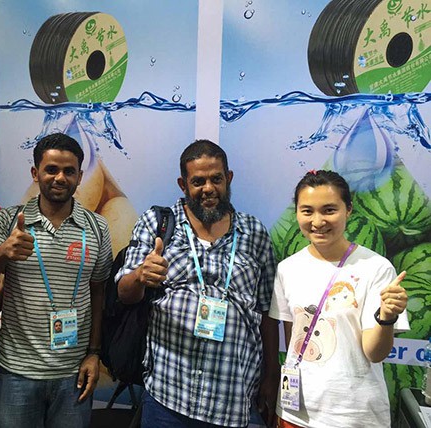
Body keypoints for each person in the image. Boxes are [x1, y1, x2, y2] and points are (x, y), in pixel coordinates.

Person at [116, 139, 279, 427]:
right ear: (183, 185)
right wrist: (140, 275)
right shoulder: (158, 223)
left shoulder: (254, 233)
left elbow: (267, 312)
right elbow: (124, 293)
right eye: (198, 181)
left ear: (228, 178)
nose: (208, 188)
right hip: (167, 394)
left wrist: (271, 375)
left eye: (216, 179)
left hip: (231, 400)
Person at [0, 132, 113, 428]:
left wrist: (94, 354)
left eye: (69, 171)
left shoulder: (97, 227)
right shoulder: (8, 221)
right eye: (51, 169)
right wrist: (4, 251)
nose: (60, 178)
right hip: (17, 374)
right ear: (35, 173)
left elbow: (98, 294)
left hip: (73, 374)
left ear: (80, 177)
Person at [269, 170, 409, 428]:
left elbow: (375, 353)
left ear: (349, 210)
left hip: (353, 415)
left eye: (329, 210)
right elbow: (294, 343)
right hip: (295, 412)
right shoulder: (287, 269)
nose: (318, 221)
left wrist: (386, 317)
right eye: (307, 211)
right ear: (297, 212)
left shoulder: (376, 268)